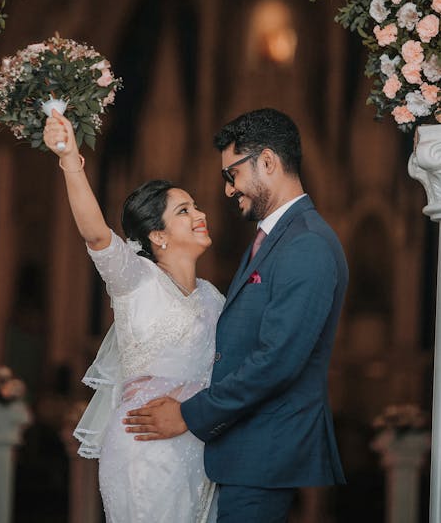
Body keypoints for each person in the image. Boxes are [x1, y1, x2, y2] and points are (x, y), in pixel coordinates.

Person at [124, 108, 348, 523]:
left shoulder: (307, 244)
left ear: (267, 161)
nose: (228, 190)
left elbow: (277, 361)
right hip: (242, 450)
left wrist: (189, 414)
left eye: (232, 174)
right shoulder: (275, 236)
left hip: (263, 452)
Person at [43, 110, 225, 523]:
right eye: (184, 211)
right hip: (145, 445)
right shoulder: (136, 280)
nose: (200, 215)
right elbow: (95, 234)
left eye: (196, 206)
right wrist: (70, 158)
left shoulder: (215, 299)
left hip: (198, 444)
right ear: (157, 236)